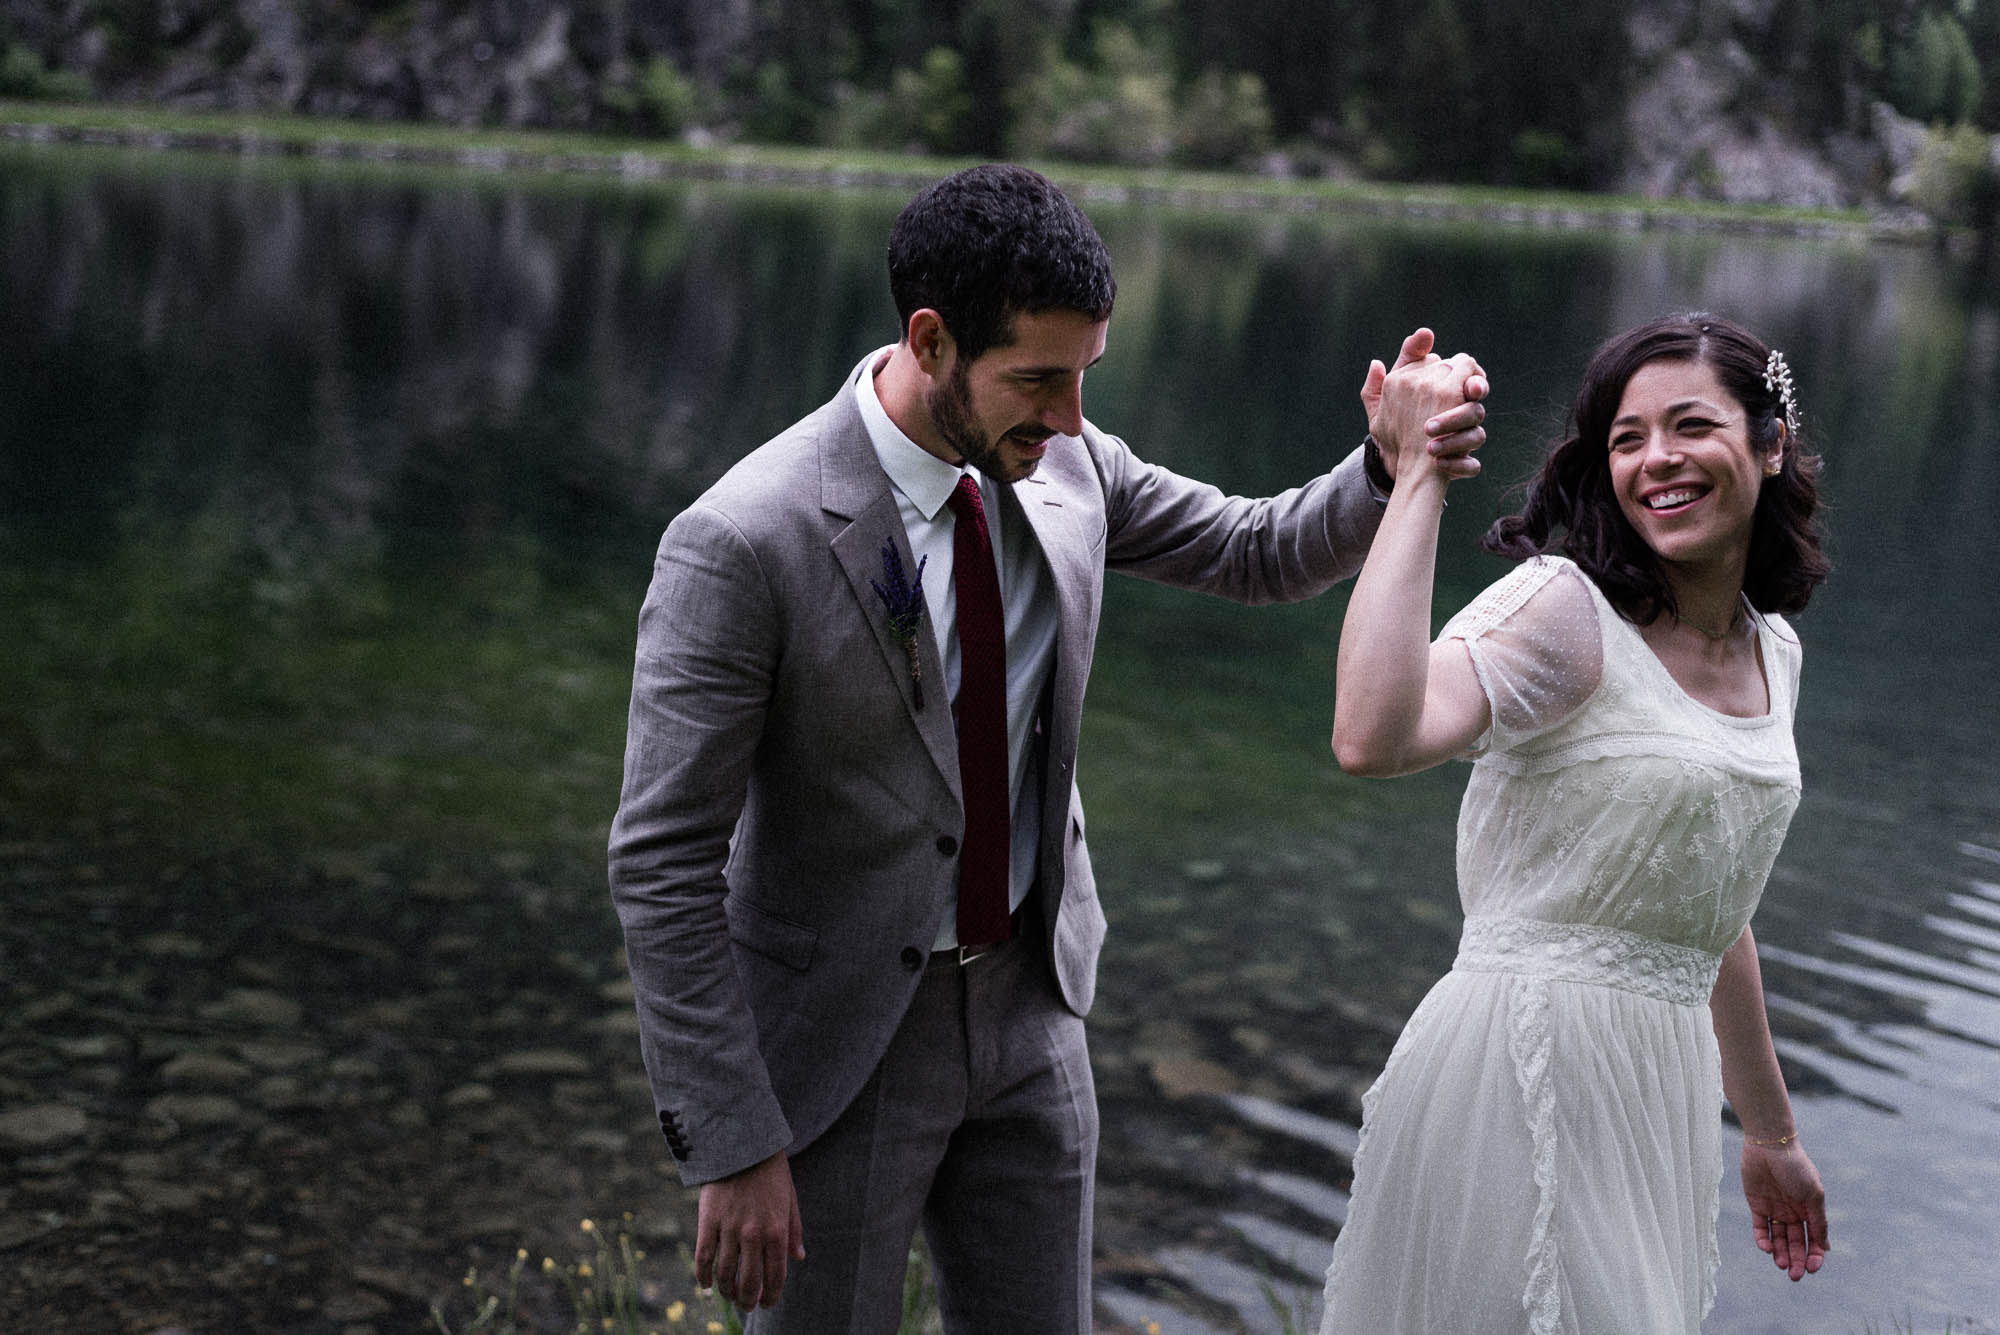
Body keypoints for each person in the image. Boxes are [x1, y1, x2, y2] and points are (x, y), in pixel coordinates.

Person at [605, 162, 1486, 1335]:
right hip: (839, 1048)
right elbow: (660, 861)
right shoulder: (740, 539)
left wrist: (1380, 465)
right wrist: (729, 1139)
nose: (1069, 417)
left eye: (1084, 377)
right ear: (928, 340)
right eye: (1035, 379)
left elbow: (1257, 549)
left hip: (1034, 1010)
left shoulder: (1067, 461)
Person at [1319, 313, 1832, 1334]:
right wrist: (1418, 477)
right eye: (1626, 439)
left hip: (1652, 1091)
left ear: (1769, 444)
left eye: (1689, 426)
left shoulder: (1774, 653)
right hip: (1518, 1068)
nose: (1656, 461)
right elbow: (1372, 736)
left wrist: (1768, 1133)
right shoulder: (1564, 613)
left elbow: (1701, 900)